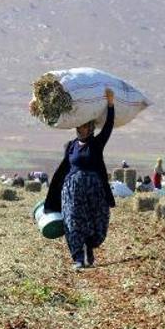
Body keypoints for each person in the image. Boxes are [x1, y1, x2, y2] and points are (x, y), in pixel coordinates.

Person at [45, 88, 116, 270]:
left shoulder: (96, 144)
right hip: (72, 191)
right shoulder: (70, 146)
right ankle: (78, 257)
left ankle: (88, 250)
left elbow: (108, 127)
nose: (81, 129)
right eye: (79, 126)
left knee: (95, 222)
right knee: (73, 221)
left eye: (84, 126)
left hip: (94, 190)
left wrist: (110, 104)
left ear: (91, 127)